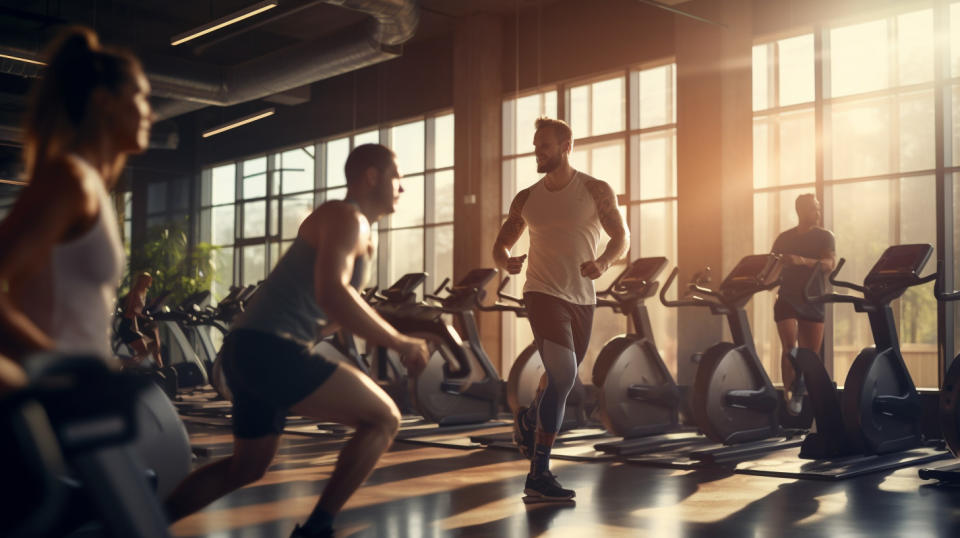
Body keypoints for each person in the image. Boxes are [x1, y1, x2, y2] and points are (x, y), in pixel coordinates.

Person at [163, 143, 430, 538]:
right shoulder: (346, 217)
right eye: (397, 179)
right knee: (384, 418)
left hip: (248, 347)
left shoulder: (356, 229)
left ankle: (140, 519)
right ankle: (317, 529)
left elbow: (327, 314)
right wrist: (400, 342)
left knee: (248, 468)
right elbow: (333, 295)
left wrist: (367, 330)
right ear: (372, 177)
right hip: (271, 347)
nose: (402, 189)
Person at [493, 117, 629, 503]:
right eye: (536, 146)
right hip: (541, 292)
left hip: (582, 297)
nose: (538, 152)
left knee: (558, 378)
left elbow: (622, 236)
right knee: (565, 374)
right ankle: (539, 473)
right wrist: (506, 261)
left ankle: (530, 414)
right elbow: (500, 244)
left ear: (566, 146)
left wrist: (603, 263)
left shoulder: (595, 190)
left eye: (545, 146)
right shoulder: (526, 197)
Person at [0, 26, 151, 362]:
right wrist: (53, 362)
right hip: (58, 396)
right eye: (140, 95)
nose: (149, 112)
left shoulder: (91, 185)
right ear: (104, 102)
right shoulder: (70, 180)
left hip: (86, 388)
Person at [770, 193, 836, 414]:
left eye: (818, 208)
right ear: (801, 211)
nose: (818, 212)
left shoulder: (825, 237)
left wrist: (803, 261)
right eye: (814, 209)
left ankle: (802, 392)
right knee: (790, 348)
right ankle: (789, 396)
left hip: (813, 297)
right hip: (787, 296)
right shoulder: (784, 238)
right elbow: (772, 266)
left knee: (810, 355)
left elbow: (829, 264)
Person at [117, 271, 164, 367]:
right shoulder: (135, 293)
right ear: (143, 281)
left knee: (152, 345)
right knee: (144, 351)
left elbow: (140, 308)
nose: (150, 282)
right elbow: (131, 310)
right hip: (127, 326)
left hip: (134, 326)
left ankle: (159, 368)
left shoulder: (144, 292)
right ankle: (121, 365)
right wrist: (142, 316)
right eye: (148, 280)